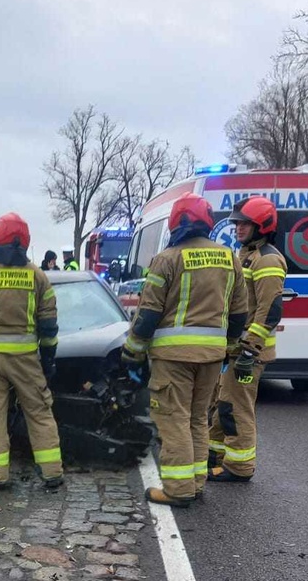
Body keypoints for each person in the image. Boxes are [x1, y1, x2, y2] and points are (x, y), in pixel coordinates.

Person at [121, 194, 248, 507]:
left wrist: (132, 352)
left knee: (173, 420)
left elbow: (148, 314)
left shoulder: (167, 259)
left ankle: (178, 490)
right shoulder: (230, 258)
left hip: (173, 359)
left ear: (176, 222)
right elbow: (239, 313)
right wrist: (229, 348)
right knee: (196, 420)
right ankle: (195, 483)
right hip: (211, 358)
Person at [0, 212, 63, 490]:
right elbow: (49, 324)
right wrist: (49, 358)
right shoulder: (38, 276)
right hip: (26, 360)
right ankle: (52, 472)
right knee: (39, 411)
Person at [208, 197, 286, 482]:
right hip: (235, 350)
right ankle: (215, 457)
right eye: (237, 223)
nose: (238, 228)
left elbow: (270, 310)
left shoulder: (267, 258)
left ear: (261, 226)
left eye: (244, 223)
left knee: (236, 408)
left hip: (248, 353)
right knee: (221, 403)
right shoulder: (246, 255)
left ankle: (239, 467)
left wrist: (249, 350)